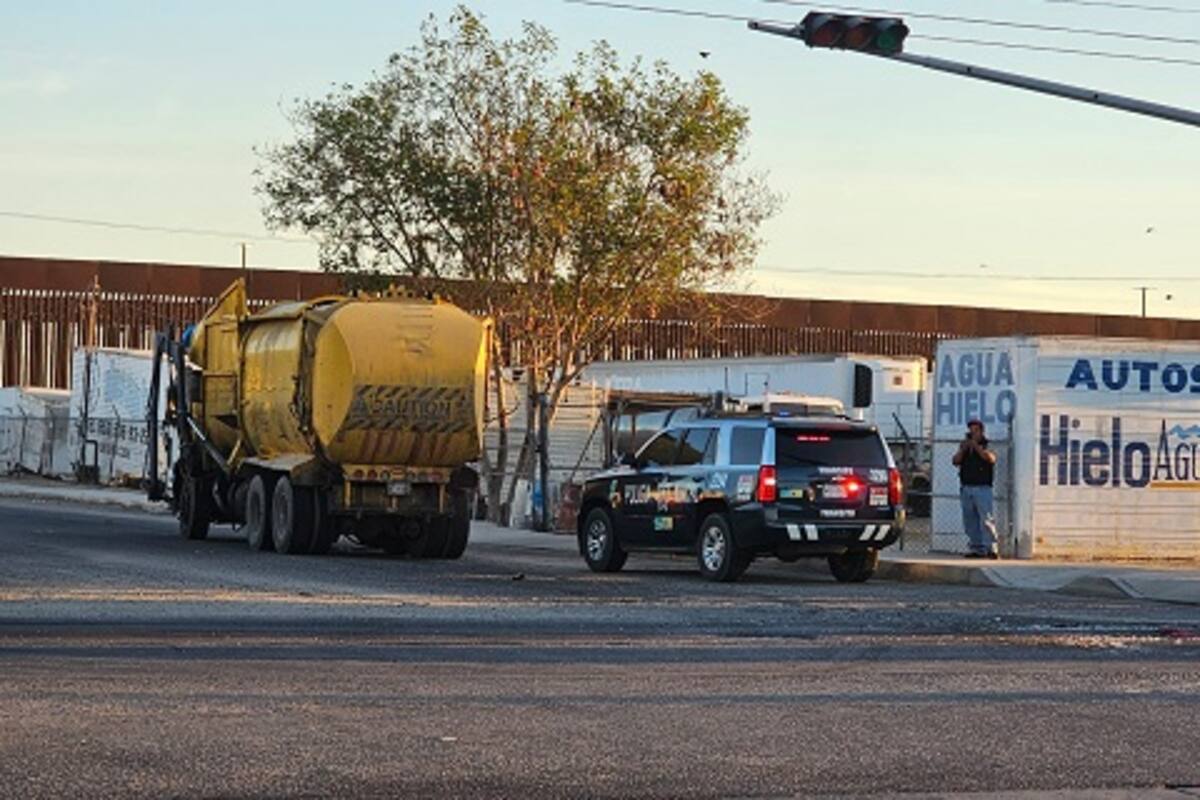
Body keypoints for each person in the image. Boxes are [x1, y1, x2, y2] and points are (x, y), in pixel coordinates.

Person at [953, 418, 999, 559]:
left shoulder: (987, 445)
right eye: (971, 430)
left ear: (981, 431)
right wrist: (964, 449)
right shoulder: (965, 447)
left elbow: (991, 459)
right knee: (970, 520)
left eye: (976, 430)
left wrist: (977, 447)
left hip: (982, 488)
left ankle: (991, 548)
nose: (973, 433)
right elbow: (955, 461)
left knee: (986, 519)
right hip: (967, 487)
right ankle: (976, 548)